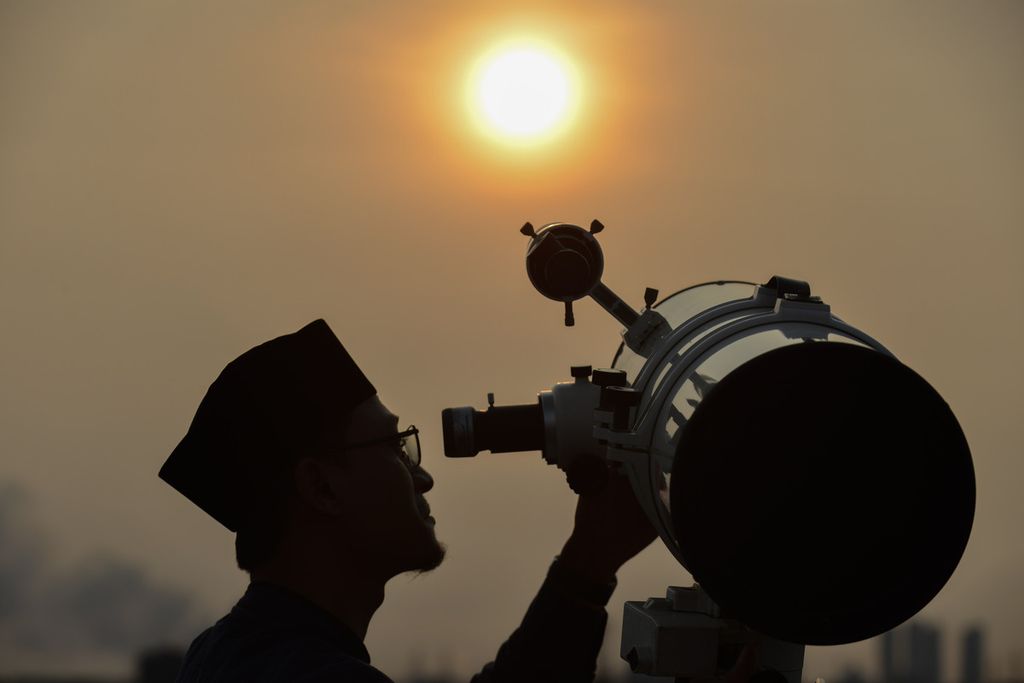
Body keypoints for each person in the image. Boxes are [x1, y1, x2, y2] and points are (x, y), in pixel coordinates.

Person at [159, 320, 743, 682]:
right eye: (396, 448)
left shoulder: (220, 655)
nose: (423, 480)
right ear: (322, 488)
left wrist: (589, 560)